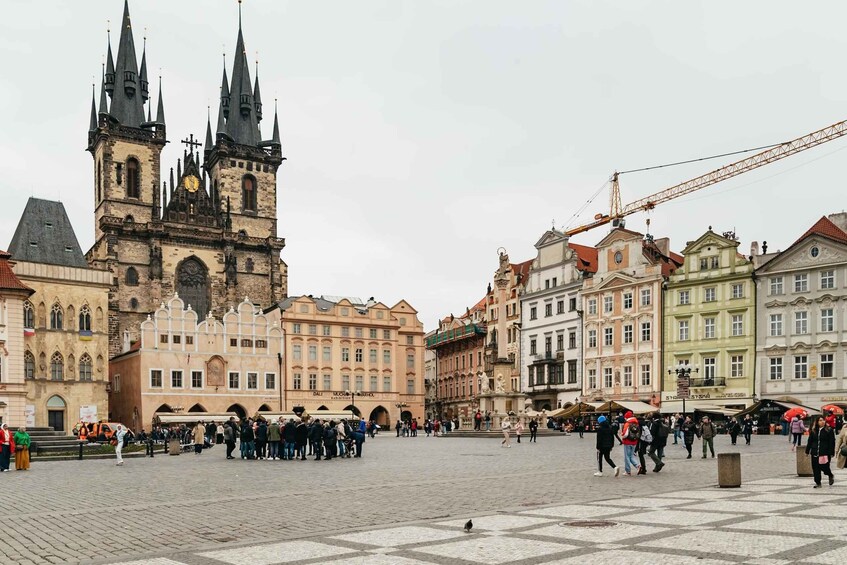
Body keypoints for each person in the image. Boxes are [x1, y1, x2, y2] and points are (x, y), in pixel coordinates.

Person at [806, 416, 835, 488]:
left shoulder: (829, 430)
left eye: (823, 420)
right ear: (817, 422)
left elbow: (832, 442)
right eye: (820, 420)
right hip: (815, 452)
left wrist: (831, 452)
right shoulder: (814, 430)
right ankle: (818, 482)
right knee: (815, 468)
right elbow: (810, 441)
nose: (822, 422)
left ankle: (830, 475)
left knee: (825, 467)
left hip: (824, 452)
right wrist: (807, 450)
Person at [620, 411, 641, 475]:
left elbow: (625, 434)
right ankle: (638, 466)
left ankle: (628, 471)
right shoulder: (636, 423)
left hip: (627, 442)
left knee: (627, 456)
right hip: (634, 442)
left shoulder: (627, 424)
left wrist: (622, 435)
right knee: (631, 455)